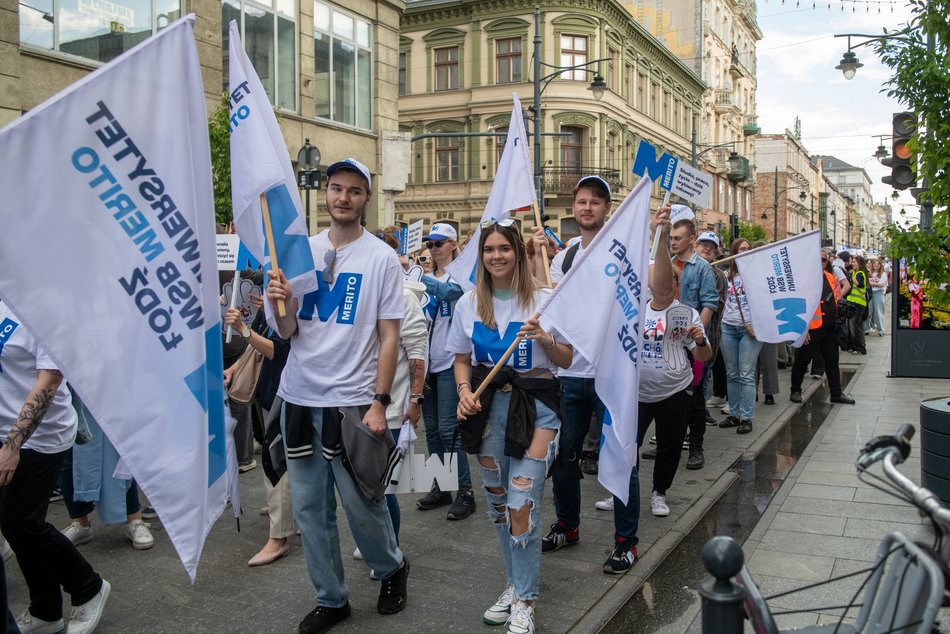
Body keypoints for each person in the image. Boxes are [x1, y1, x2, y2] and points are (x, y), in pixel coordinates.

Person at [265, 158, 409, 633]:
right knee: (310, 510)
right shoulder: (297, 252)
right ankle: (331, 598)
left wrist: (380, 402)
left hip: (352, 402)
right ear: (325, 193)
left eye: (353, 190)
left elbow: (390, 336)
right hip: (301, 399)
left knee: (362, 504)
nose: (343, 197)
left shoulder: (381, 258)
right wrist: (276, 299)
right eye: (335, 188)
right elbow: (288, 331)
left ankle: (391, 568)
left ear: (366, 198)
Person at [449, 219, 573, 634]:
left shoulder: (544, 299)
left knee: (523, 502)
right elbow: (462, 357)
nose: (497, 256)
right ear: (481, 257)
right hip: (489, 412)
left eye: (505, 248)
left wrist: (545, 339)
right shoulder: (468, 303)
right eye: (489, 250)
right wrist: (464, 389)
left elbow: (567, 360)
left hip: (537, 407)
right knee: (500, 507)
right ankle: (514, 583)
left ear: (518, 253)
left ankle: (525, 600)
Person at [539, 176, 642, 575]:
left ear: (606, 209)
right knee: (564, 456)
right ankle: (568, 524)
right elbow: (552, 307)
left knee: (620, 455)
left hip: (612, 374)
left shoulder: (623, 252)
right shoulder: (562, 258)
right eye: (581, 201)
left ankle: (626, 541)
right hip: (570, 373)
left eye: (595, 202)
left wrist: (661, 236)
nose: (587, 208)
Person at [0, 299, 110, 634]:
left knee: (21, 524)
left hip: (40, 437)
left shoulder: (45, 306)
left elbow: (49, 380)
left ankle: (88, 587)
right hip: (6, 433)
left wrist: (13, 445)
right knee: (16, 525)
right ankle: (46, 610)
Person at [639, 216, 713, 517]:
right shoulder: (636, 311)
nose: (661, 285)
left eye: (667, 280)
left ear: (674, 284)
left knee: (669, 446)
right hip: (638, 394)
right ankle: (618, 488)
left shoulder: (687, 313)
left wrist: (701, 340)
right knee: (626, 444)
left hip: (674, 391)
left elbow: (702, 357)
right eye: (656, 280)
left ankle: (659, 492)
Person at [223, 293, 293, 567]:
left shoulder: (289, 300)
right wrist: (236, 367)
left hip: (285, 393)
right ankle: (284, 513)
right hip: (272, 391)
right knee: (277, 459)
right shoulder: (272, 302)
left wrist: (242, 328)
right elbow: (259, 345)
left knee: (277, 461)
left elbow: (278, 350)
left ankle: (280, 534)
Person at [415, 223, 477, 520]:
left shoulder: (463, 276)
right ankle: (442, 485)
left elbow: (451, 291)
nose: (433, 248)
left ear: (453, 244)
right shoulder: (426, 277)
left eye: (438, 243)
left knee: (449, 429)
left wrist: (416, 278)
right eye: (430, 243)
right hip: (426, 364)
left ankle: (465, 491)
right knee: (433, 433)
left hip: (452, 363)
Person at [375, 228, 428, 543]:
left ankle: (389, 544)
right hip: (361, 404)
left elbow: (418, 356)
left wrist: (415, 401)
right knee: (368, 482)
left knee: (385, 484)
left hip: (393, 408)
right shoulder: (366, 293)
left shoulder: (405, 298)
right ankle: (375, 537)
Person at [58, 402, 155, 551]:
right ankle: (79, 522)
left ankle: (134, 519)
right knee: (68, 451)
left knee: (118, 449)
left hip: (103, 387)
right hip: (64, 390)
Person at [668, 216, 719, 469]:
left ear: (691, 240)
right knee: (669, 396)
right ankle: (669, 445)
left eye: (678, 238)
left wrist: (697, 333)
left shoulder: (702, 268)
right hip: (668, 339)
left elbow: (710, 302)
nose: (673, 242)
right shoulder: (666, 263)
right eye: (671, 238)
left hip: (691, 341)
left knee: (694, 396)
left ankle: (696, 448)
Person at [789, 250, 856, 406]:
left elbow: (837, 297)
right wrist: (802, 330)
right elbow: (797, 305)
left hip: (829, 329)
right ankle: (795, 390)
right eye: (818, 259)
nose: (821, 262)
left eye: (824, 260)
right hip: (810, 330)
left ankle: (836, 393)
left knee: (832, 362)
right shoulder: (802, 280)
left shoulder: (831, 277)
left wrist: (842, 312)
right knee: (801, 361)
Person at [718, 238, 762, 434]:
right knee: (732, 373)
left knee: (746, 374)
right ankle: (734, 413)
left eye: (748, 249)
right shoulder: (725, 276)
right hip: (728, 327)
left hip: (750, 330)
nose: (745, 251)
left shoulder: (757, 275)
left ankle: (747, 417)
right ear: (734, 253)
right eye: (741, 249)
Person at [693, 231, 728, 426]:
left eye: (712, 247)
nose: (708, 248)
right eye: (704, 244)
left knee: (701, 379)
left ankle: (699, 416)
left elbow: (716, 305)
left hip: (707, 338)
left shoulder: (718, 275)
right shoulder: (683, 267)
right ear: (695, 246)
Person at [845, 255, 869, 354]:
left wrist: (850, 275)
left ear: (859, 263)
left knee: (855, 327)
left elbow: (859, 284)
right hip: (854, 303)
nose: (852, 264)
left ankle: (859, 348)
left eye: (854, 262)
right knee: (854, 326)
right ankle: (855, 347)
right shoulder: (856, 273)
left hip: (857, 304)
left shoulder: (860, 273)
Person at [867, 258, 887, 336]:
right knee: (868, 311)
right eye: (875, 264)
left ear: (880, 265)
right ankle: (866, 329)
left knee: (879, 313)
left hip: (879, 294)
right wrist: (877, 284)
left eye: (878, 264)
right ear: (872, 265)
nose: (876, 265)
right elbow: (869, 283)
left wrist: (873, 283)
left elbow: (882, 284)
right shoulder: (869, 273)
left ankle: (881, 330)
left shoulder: (883, 274)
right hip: (870, 293)